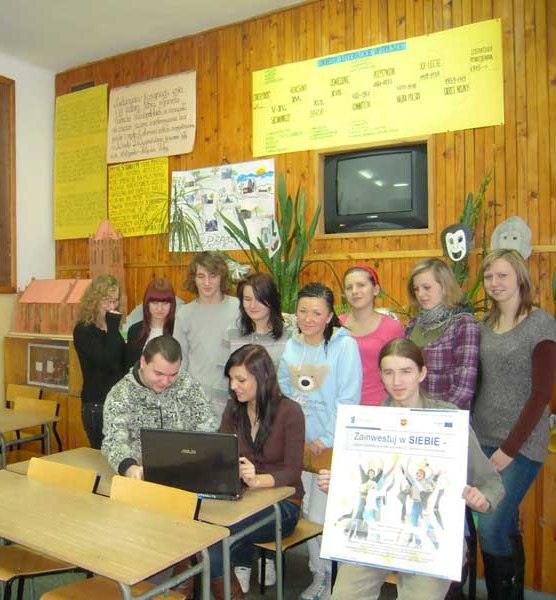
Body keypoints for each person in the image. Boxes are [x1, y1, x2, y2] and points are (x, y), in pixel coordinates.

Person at [319, 338, 504, 600]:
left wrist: (482, 499)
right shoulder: (367, 424)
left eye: (406, 371)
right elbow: (362, 486)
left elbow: (491, 482)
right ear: (380, 376)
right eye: (389, 372)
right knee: (344, 595)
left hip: (429, 539)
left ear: (422, 373)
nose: (397, 381)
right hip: (375, 536)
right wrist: (340, 486)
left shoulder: (448, 421)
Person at [472, 249, 556, 599]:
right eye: (489, 276)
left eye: (502, 275)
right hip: (482, 438)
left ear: (520, 277)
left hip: (521, 444)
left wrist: (509, 449)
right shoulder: (482, 326)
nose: (495, 283)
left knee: (491, 525)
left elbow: (542, 394)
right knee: (502, 523)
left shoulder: (540, 323)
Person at [278, 283, 362, 600]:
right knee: (306, 515)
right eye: (302, 311)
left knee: (323, 516)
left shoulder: (345, 346)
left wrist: (325, 438)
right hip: (299, 445)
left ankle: (331, 580)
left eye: (316, 312)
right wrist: (296, 436)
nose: (308, 318)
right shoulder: (292, 345)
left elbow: (348, 398)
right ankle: (319, 575)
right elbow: (284, 393)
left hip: (331, 446)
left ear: (329, 316)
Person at [207, 344, 305, 600]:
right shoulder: (233, 409)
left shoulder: (290, 412)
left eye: (241, 380)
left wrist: (257, 480)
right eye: (231, 379)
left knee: (212, 536)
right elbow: (221, 452)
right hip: (244, 499)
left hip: (284, 505)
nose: (233, 386)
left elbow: (293, 472)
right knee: (204, 531)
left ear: (263, 378)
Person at [101, 335, 217, 478]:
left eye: (173, 374)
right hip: (142, 473)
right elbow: (114, 442)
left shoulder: (188, 385)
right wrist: (130, 468)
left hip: (186, 471)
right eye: (158, 373)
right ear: (143, 362)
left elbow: (207, 427)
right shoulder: (121, 394)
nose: (165, 381)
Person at [405, 258, 479, 410]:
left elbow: (464, 389)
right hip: (411, 415)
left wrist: (432, 415)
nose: (421, 294)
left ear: (445, 286)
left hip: (446, 418)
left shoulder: (463, 324)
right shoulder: (412, 325)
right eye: (416, 289)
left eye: (427, 287)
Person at [173, 251, 239, 420]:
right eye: (201, 276)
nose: (207, 282)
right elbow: (180, 361)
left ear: (222, 277)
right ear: (194, 279)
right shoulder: (184, 314)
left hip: (233, 396)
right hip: (196, 399)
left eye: (212, 276)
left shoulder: (238, 308)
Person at [73, 273, 125, 449]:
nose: (112, 307)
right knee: (102, 456)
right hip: (96, 406)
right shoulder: (83, 330)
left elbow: (120, 361)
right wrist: (113, 327)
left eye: (115, 301)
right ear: (94, 301)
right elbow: (107, 361)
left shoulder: (111, 329)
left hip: (116, 402)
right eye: (107, 301)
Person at [341, 265, 403, 405]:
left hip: (379, 405)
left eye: (361, 285)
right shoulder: (335, 326)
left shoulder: (392, 327)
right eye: (349, 287)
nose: (354, 291)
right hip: (341, 404)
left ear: (376, 289)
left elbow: (400, 370)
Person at [124, 278, 177, 370]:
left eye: (165, 303)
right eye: (155, 303)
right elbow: (129, 367)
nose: (159, 308)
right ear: (147, 304)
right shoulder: (134, 330)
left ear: (172, 305)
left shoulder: (178, 330)